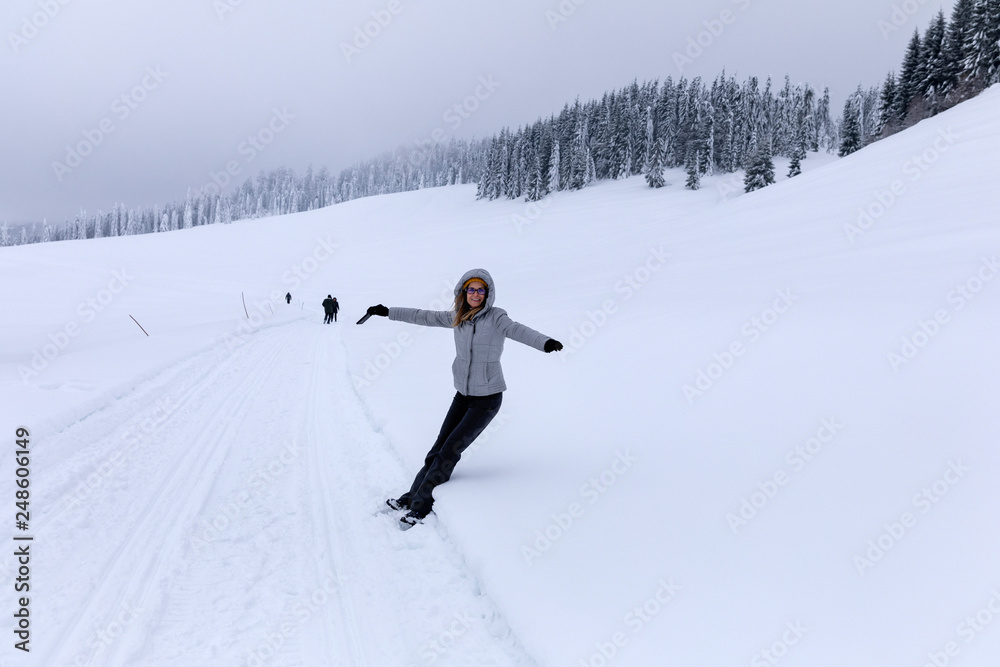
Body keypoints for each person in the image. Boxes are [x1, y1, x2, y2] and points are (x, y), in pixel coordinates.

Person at [366, 268, 562, 529]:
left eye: (481, 290)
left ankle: (421, 507)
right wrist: (388, 311)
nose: (476, 294)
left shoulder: (496, 318)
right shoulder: (457, 317)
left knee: (449, 451)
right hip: (463, 396)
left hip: (487, 400)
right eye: (472, 289)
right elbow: (423, 316)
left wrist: (545, 342)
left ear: (487, 294)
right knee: (437, 449)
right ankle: (411, 497)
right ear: (463, 291)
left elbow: (518, 330)